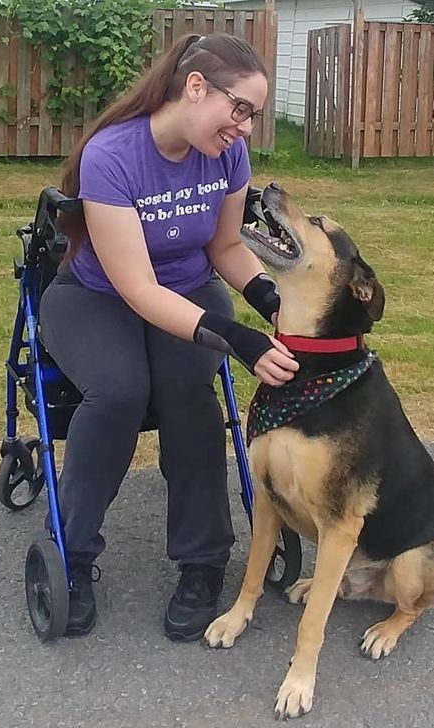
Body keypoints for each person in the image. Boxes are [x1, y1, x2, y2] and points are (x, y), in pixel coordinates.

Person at [39, 32, 299, 641]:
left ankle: (202, 563)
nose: (245, 129)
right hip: (98, 298)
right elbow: (136, 289)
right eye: (240, 110)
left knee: (188, 393)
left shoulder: (227, 156)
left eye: (254, 117)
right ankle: (73, 553)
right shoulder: (112, 156)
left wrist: (271, 303)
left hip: (187, 286)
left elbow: (227, 247)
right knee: (119, 391)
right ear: (196, 87)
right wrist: (238, 338)